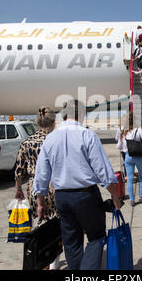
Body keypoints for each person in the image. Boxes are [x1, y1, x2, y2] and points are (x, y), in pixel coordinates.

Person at [34, 99, 121, 270]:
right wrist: (115, 196)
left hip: (62, 197)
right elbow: (103, 171)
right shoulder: (86, 135)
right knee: (96, 237)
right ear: (81, 114)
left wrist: (40, 203)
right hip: (85, 195)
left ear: (64, 115)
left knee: (71, 240)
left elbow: (41, 175)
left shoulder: (50, 139)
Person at [14, 106, 61, 270]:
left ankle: (42, 262)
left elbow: (19, 170)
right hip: (54, 185)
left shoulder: (26, 143)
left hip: (35, 187)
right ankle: (53, 263)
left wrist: (18, 189)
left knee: (41, 225)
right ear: (53, 122)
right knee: (56, 226)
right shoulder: (55, 140)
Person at [117, 112, 142, 207]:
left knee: (129, 178)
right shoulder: (138, 130)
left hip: (128, 156)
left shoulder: (123, 131)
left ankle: (132, 200)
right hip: (139, 156)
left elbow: (119, 146)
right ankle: (141, 196)